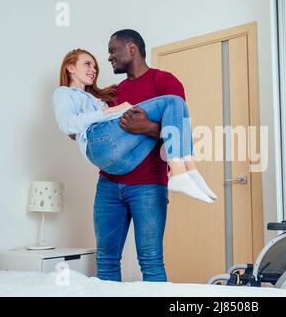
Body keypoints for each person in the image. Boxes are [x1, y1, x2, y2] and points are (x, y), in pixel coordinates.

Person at [57, 30, 213, 282]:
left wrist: (147, 127)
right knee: (106, 260)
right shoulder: (114, 93)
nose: (108, 58)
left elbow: (179, 127)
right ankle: (187, 172)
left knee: (150, 261)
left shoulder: (164, 81)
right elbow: (86, 128)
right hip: (109, 184)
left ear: (131, 49)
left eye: (112, 50)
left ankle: (185, 172)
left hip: (149, 184)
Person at [53, 49, 215, 203]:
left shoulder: (98, 98)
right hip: (97, 145)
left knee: (176, 109)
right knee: (173, 101)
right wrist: (111, 111)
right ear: (71, 67)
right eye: (87, 64)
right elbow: (67, 124)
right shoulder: (64, 93)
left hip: (121, 163)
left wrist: (117, 111)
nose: (93, 70)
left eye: (95, 66)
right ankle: (180, 171)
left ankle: (189, 169)